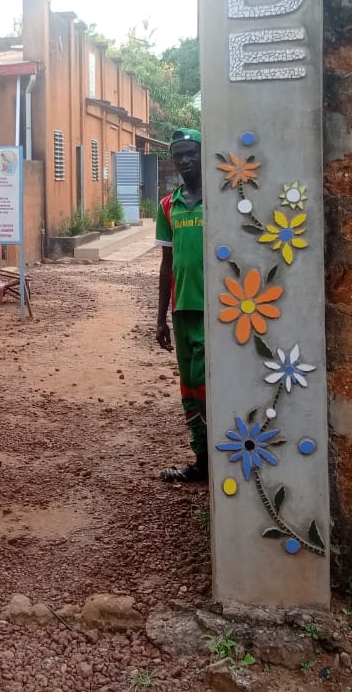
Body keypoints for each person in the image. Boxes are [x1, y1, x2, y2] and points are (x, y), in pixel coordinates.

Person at [154, 128, 207, 482]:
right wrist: (160, 318)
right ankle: (202, 461)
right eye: (179, 156)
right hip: (182, 309)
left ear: (203, 153)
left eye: (191, 153)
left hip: (218, 311)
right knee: (189, 388)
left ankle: (225, 459)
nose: (185, 161)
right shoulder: (167, 205)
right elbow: (166, 263)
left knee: (209, 384)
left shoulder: (221, 199)